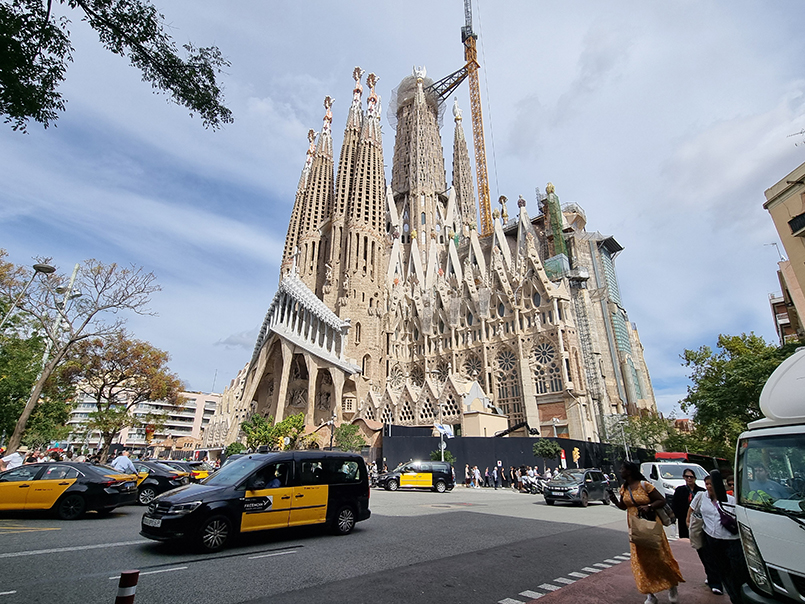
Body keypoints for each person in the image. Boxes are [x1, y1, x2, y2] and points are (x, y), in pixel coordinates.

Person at [610, 461, 684, 604]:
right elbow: (623, 506)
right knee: (641, 561)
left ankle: (672, 585)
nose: (620, 471)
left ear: (630, 471)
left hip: (651, 525)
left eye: (622, 469)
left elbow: (661, 500)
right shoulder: (624, 488)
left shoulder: (645, 486)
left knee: (661, 557)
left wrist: (649, 505)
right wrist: (613, 500)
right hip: (635, 527)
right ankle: (650, 594)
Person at [688, 475, 748, 604]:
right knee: (722, 569)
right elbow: (692, 510)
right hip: (711, 538)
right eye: (707, 484)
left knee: (737, 571)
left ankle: (741, 595)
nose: (709, 486)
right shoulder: (701, 497)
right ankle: (733, 596)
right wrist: (689, 524)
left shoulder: (731, 500)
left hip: (731, 540)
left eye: (711, 484)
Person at [672, 469, 704, 539]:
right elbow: (675, 503)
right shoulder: (680, 490)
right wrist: (676, 515)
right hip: (683, 517)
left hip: (697, 518)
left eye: (691, 477)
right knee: (684, 537)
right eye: (687, 477)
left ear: (695, 478)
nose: (689, 479)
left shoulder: (701, 491)